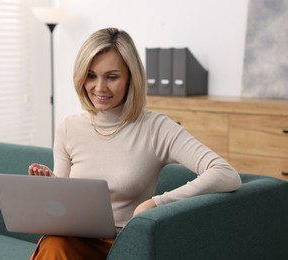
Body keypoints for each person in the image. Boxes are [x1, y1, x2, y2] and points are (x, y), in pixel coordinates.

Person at [28, 27, 241, 259]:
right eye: (91, 75)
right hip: (75, 240)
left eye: (112, 77)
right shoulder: (68, 128)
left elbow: (225, 173)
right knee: (55, 243)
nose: (99, 88)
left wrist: (157, 203)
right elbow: (64, 209)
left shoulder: (156, 127)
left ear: (131, 77)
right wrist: (51, 187)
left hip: (127, 242)